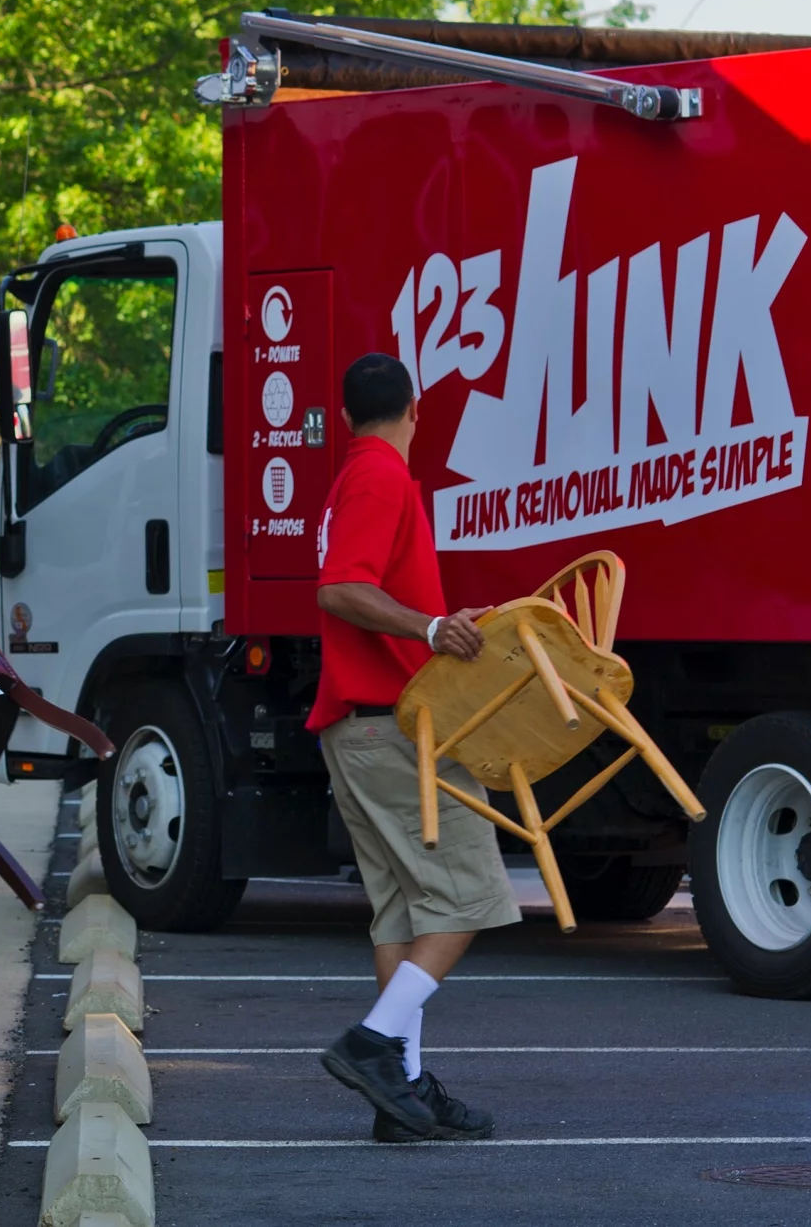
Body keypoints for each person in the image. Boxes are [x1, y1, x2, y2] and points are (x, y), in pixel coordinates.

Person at [311, 352, 519, 1142]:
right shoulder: (381, 477)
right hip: (394, 727)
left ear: (342, 416)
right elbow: (339, 587)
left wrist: (431, 625)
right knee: (471, 896)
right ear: (415, 408)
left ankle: (400, 1098)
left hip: (359, 725)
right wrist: (431, 629)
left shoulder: (351, 475)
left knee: (402, 915)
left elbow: (347, 583)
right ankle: (372, 1049)